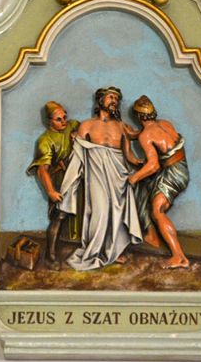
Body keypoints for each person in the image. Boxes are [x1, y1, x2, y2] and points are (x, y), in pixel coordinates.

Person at [59, 87, 143, 270]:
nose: (114, 101)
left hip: (118, 175)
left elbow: (128, 154)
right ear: (100, 100)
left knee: (117, 212)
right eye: (111, 97)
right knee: (100, 211)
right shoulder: (87, 125)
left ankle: (113, 251)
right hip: (96, 174)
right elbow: (78, 152)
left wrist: (142, 164)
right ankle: (94, 251)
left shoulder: (121, 126)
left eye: (117, 99)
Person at [128, 95, 190, 269]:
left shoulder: (145, 136)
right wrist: (135, 135)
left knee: (157, 211)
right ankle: (151, 235)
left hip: (172, 174)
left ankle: (179, 256)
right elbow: (161, 139)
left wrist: (133, 178)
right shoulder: (165, 123)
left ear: (138, 116)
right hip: (181, 169)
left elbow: (154, 165)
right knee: (145, 187)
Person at [27, 101, 79, 270]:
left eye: (64, 117)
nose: (64, 121)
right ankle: (50, 256)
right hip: (60, 181)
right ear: (50, 121)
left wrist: (77, 136)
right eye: (58, 119)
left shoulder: (71, 126)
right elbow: (42, 170)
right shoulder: (45, 140)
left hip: (77, 176)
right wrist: (51, 191)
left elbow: (83, 130)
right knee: (59, 216)